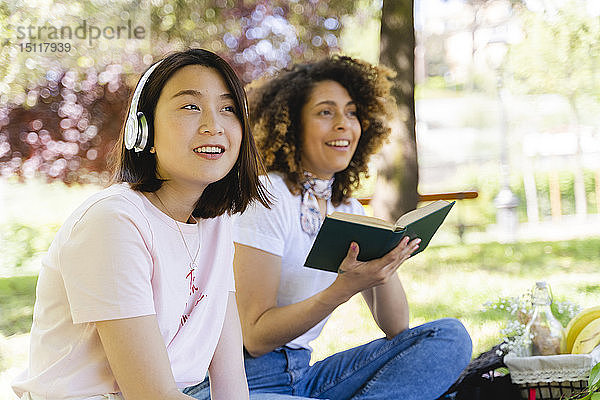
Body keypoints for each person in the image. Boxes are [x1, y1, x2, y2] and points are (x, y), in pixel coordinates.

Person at [184, 55, 472, 400]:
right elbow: (255, 337)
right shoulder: (267, 196)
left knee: (449, 337)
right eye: (325, 112)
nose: (343, 124)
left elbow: (396, 328)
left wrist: (386, 262)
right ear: (292, 125)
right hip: (240, 382)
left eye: (351, 113)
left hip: (302, 377)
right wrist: (343, 289)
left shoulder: (345, 209)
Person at [12, 48, 270, 400]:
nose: (214, 125)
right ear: (142, 131)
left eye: (228, 109)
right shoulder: (114, 221)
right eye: (190, 106)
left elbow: (230, 382)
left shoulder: (216, 223)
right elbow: (152, 395)